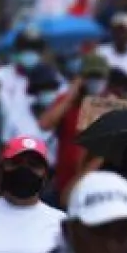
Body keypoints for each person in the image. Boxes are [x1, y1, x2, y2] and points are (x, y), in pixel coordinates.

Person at [38, 54, 110, 199]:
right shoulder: (68, 102)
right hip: (62, 184)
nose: (95, 81)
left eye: (99, 77)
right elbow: (44, 124)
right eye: (91, 76)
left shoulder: (110, 104)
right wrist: (71, 94)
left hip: (93, 189)